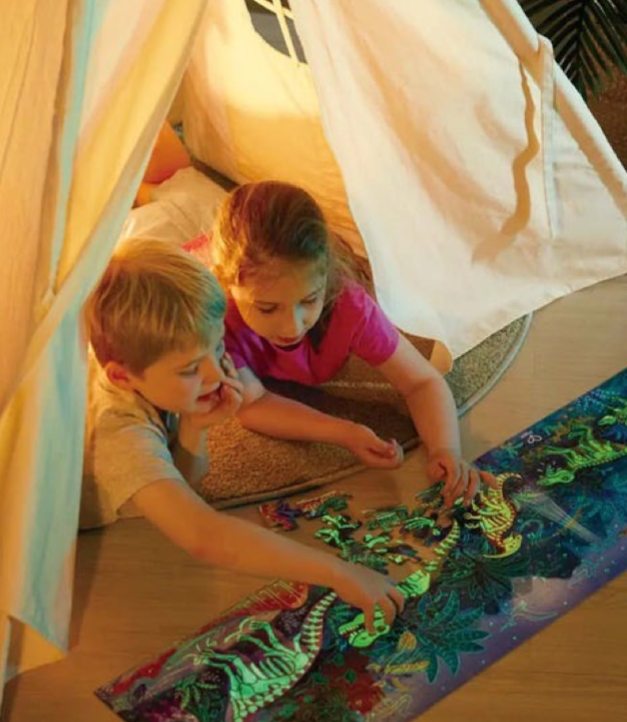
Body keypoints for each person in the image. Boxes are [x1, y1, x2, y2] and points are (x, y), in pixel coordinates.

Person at [82, 237, 405, 635]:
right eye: (189, 370)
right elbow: (203, 536)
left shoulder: (165, 372)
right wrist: (339, 572)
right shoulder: (119, 432)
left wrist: (195, 427)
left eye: (218, 348)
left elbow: (191, 480)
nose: (217, 375)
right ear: (120, 376)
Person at [208, 181, 494, 506]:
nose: (292, 326)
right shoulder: (216, 317)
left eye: (310, 300)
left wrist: (446, 449)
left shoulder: (349, 306)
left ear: (325, 280)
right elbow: (253, 405)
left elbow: (422, 381)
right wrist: (343, 432)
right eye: (267, 308)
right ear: (227, 285)